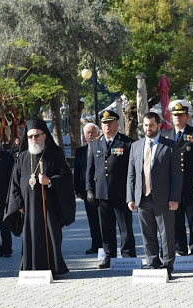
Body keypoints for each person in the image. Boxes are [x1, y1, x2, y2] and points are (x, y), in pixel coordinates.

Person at [4, 119, 75, 277]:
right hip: (28, 208)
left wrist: (49, 181)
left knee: (51, 237)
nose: (33, 139)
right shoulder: (22, 157)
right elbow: (14, 183)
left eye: (37, 136)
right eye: (30, 137)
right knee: (30, 238)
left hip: (50, 206)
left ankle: (53, 268)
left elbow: (66, 178)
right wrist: (18, 204)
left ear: (44, 136)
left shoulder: (55, 155)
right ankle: (31, 269)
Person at [127, 112, 181, 279]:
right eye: (145, 125)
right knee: (147, 234)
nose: (148, 128)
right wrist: (130, 197)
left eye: (151, 125)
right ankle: (152, 264)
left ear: (159, 125)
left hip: (164, 199)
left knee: (166, 234)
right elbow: (131, 174)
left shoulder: (170, 146)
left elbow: (177, 176)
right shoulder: (136, 146)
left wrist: (174, 198)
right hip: (142, 198)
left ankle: (167, 266)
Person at [86, 111, 136, 268]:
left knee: (125, 227)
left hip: (121, 193)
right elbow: (90, 170)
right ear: (101, 125)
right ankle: (109, 255)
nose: (107, 125)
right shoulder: (95, 144)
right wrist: (89, 190)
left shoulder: (127, 143)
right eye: (104, 123)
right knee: (106, 227)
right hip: (102, 193)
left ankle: (128, 255)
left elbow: (132, 170)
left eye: (110, 122)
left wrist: (132, 192)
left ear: (117, 124)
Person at [161, 100, 193, 256]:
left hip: (191, 186)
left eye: (181, 115)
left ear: (187, 116)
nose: (177, 118)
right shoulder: (165, 135)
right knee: (176, 221)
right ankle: (180, 250)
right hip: (172, 187)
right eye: (175, 115)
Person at [74, 123, 102, 255]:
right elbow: (78, 172)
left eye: (92, 132)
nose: (90, 135)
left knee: (103, 219)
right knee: (92, 220)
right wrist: (77, 190)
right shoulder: (80, 151)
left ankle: (105, 245)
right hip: (87, 190)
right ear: (84, 136)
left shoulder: (103, 148)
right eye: (87, 133)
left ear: (98, 134)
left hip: (102, 190)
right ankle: (95, 244)